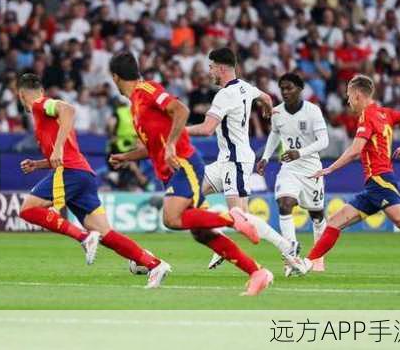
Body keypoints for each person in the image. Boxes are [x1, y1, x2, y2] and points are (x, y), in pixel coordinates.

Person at [108, 52, 272, 296]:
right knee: (202, 233)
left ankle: (233, 219)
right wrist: (126, 157)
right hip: (171, 171)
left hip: (185, 164)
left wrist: (173, 143)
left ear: (115, 77)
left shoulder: (147, 90)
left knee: (171, 218)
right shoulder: (135, 104)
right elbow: (155, 146)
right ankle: (257, 272)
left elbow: (181, 110)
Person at [15, 73, 169, 288]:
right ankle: (155, 265)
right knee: (106, 234)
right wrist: (38, 164)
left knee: (27, 210)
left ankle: (83, 237)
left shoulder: (41, 104)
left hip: (69, 172)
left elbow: (68, 109)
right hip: (82, 174)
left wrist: (57, 147)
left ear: (22, 95)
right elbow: (61, 152)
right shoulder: (43, 118)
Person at [298, 75, 400, 273]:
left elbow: (355, 150)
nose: (348, 101)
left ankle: (307, 263)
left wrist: (330, 168)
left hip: (380, 181)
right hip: (375, 184)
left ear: (357, 95)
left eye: (349, 96)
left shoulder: (367, 116)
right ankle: (308, 263)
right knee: (335, 222)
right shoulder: (385, 113)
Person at [185, 49, 306, 275]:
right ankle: (218, 241)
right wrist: (268, 111)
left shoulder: (224, 95)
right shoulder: (245, 86)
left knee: (240, 218)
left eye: (211, 66)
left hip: (236, 161)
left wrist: (178, 132)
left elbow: (207, 128)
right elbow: (267, 98)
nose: (209, 70)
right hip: (226, 160)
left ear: (221, 68)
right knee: (188, 196)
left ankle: (287, 246)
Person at [257, 73, 330, 275]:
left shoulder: (313, 111)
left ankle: (317, 257)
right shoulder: (277, 112)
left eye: (289, 88)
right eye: (282, 88)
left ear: (300, 89)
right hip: (289, 168)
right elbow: (275, 134)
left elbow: (324, 141)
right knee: (284, 203)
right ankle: (291, 255)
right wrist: (265, 157)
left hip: (311, 169)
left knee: (316, 214)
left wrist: (300, 152)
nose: (285, 92)